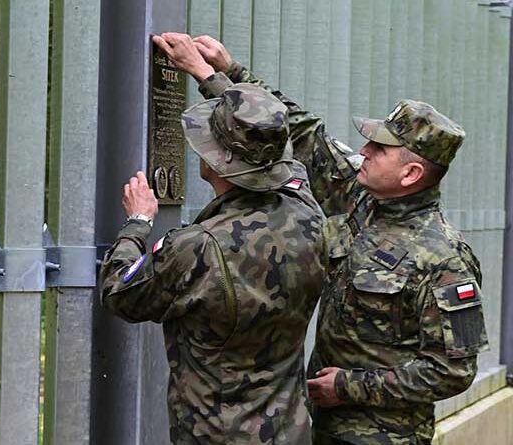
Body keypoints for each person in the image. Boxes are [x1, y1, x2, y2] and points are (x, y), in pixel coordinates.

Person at [152, 32, 490, 445]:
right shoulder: (359, 196)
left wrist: (349, 386)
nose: (364, 150)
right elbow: (301, 132)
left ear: (411, 174)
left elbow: (452, 370)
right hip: (316, 423)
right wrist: (222, 73)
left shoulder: (446, 259)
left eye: (379, 148)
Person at [98, 82, 327, 444]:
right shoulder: (308, 214)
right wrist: (215, 76)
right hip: (290, 431)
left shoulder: (199, 247)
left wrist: (137, 224)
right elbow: (292, 157)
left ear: (214, 158)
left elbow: (118, 291)